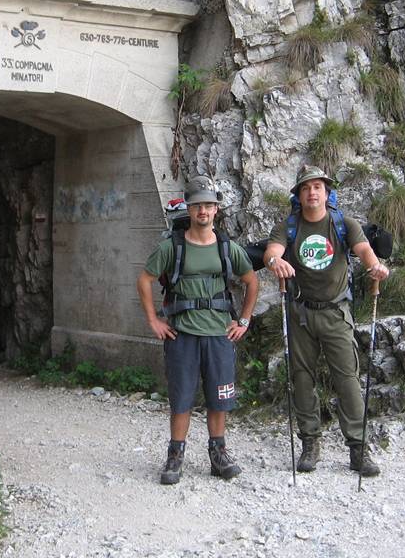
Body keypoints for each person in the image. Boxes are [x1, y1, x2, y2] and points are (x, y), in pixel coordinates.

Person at [262, 164, 390, 476]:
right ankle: (310, 443)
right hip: (301, 313)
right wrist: (276, 261)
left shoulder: (344, 223)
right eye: (306, 188)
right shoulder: (288, 227)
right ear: (299, 195)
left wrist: (376, 267)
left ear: (327, 192)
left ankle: (359, 449)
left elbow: (363, 250)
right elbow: (271, 252)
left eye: (317, 187)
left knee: (347, 379)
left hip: (335, 312)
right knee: (302, 379)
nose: (312, 192)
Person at [136, 175, 259, 485]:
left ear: (216, 210)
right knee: (181, 397)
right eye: (197, 206)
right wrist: (154, 320)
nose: (203, 211)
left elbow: (251, 281)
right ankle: (175, 455)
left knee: (220, 396)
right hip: (181, 334)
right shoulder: (172, 247)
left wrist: (243, 320)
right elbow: (144, 280)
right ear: (189, 210)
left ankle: (218, 452)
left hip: (219, 334)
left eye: (208, 206)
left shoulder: (227, 247)